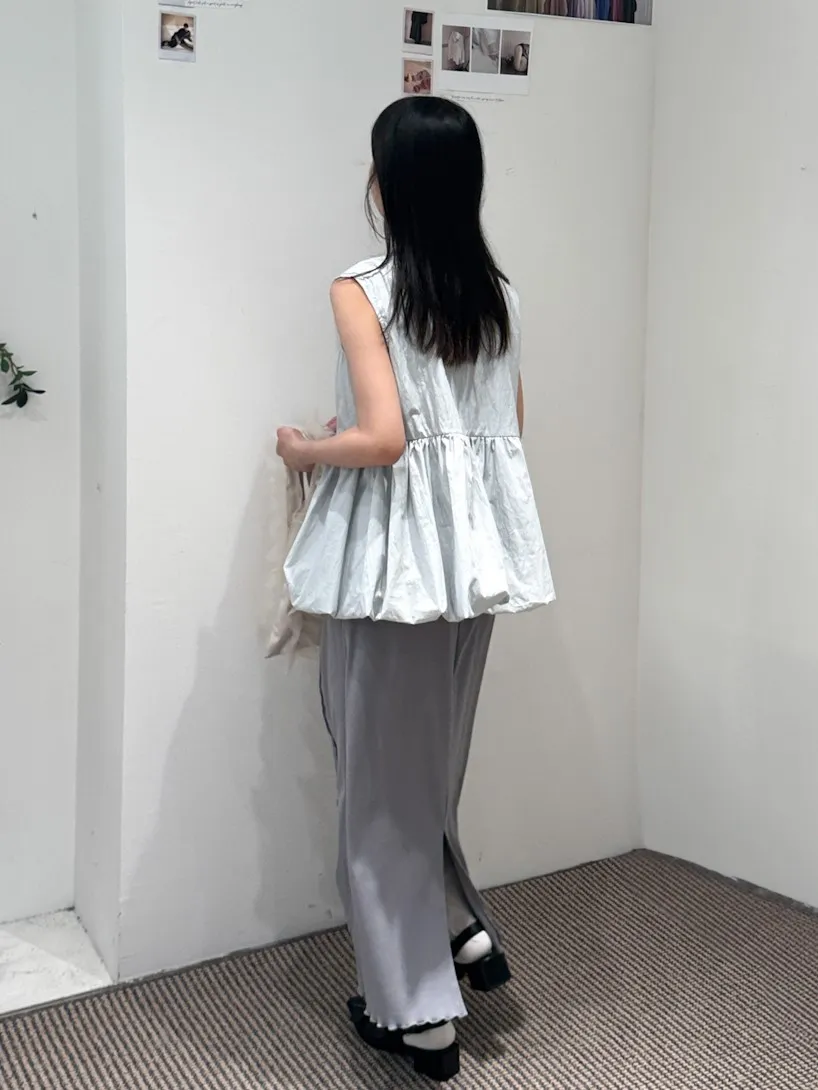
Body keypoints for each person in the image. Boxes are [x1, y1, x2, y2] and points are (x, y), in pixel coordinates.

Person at [276, 96, 554, 1082]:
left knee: (379, 792)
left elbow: (386, 439)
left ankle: (418, 1015)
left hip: (396, 572)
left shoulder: (363, 290)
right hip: (473, 569)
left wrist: (305, 449)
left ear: (386, 181)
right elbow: (503, 430)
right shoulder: (497, 296)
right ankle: (452, 923)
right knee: (422, 773)